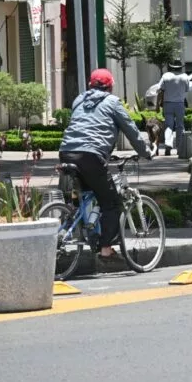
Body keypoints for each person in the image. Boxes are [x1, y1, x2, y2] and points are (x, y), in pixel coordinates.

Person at [59, 68, 154, 262]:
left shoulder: (78, 100)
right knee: (111, 203)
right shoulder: (112, 102)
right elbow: (131, 130)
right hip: (91, 155)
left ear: (90, 85)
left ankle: (86, 230)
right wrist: (146, 152)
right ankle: (105, 248)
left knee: (86, 195)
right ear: (110, 86)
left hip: (66, 152)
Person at [156, 59, 190, 156]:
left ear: (171, 67)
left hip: (168, 104)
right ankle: (179, 147)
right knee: (180, 126)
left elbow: (159, 90)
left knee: (169, 126)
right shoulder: (185, 77)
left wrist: (158, 105)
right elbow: (187, 89)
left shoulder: (166, 76)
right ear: (180, 67)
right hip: (180, 104)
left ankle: (168, 144)